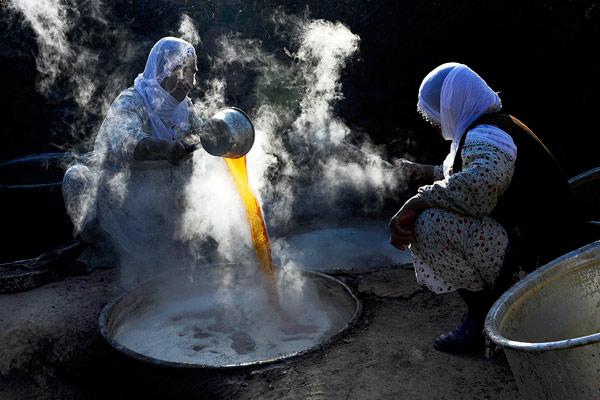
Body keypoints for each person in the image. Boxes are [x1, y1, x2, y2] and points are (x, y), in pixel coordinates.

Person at [389, 62, 591, 354]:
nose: (432, 120)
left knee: (428, 224)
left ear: (453, 104)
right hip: (547, 244)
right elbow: (471, 173)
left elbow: (480, 185)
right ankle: (489, 311)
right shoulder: (494, 126)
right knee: (439, 211)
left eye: (434, 111)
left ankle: (484, 319)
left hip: (545, 259)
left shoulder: (486, 135)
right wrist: (422, 171)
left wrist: (418, 200)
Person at [63, 37, 205, 278]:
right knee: (76, 178)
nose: (189, 82)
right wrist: (167, 149)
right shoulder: (133, 100)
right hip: (123, 196)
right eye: (183, 71)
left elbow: (201, 137)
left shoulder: (185, 108)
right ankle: (106, 250)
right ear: (163, 70)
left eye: (192, 72)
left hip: (164, 202)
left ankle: (176, 243)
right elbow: (129, 141)